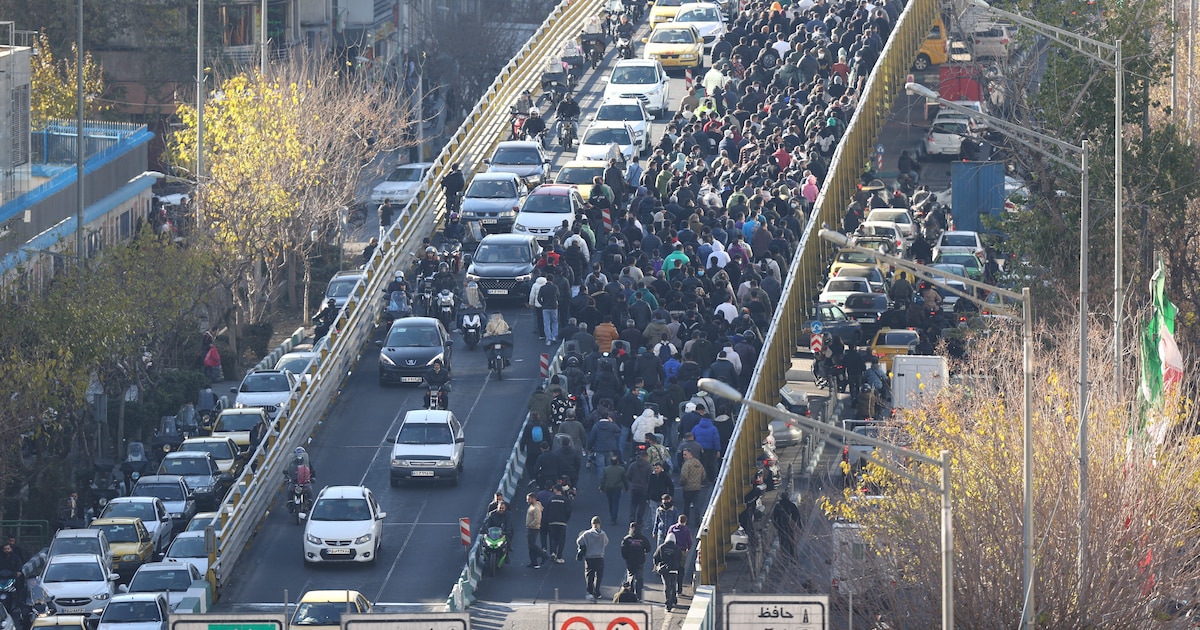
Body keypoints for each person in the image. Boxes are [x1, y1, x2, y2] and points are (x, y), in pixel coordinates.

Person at [576, 516, 609, 601]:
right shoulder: (603, 534)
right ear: (600, 524)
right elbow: (606, 542)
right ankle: (597, 591)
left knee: (589, 575)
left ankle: (589, 592)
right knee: (599, 576)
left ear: (592, 524)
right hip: (600, 557)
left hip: (590, 557)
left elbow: (579, 541)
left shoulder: (587, 534)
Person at [620, 521, 651, 600]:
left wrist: (627, 557)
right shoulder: (643, 538)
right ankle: (639, 596)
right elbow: (648, 548)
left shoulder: (627, 539)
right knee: (639, 578)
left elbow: (623, 550)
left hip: (630, 561)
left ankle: (630, 595)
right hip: (640, 561)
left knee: (630, 578)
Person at [653, 532, 683, 611]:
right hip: (674, 569)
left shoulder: (661, 547)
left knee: (667, 586)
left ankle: (668, 604)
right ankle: (674, 599)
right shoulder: (677, 548)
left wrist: (656, 565)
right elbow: (680, 558)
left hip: (664, 570)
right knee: (673, 585)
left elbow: (656, 557)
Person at [544, 485, 573, 563]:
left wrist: (548, 519)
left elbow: (546, 510)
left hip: (552, 522)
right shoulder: (565, 500)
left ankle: (553, 552)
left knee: (552, 538)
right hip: (562, 522)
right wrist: (565, 520)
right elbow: (569, 511)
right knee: (561, 540)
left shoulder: (551, 499)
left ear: (555, 490)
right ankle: (559, 556)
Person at [666, 515, 693, 596]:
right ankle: (679, 589)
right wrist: (688, 548)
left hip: (672, 551)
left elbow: (668, 538)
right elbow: (690, 542)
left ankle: (671, 587)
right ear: (685, 521)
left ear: (678, 520)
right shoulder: (686, 530)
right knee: (681, 569)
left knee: (671, 568)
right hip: (682, 552)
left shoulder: (672, 528)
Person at [599, 455, 628, 525]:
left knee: (610, 502)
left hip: (608, 488)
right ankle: (614, 517)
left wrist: (601, 488)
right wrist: (626, 487)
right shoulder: (621, 469)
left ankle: (612, 513)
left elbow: (603, 480)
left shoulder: (606, 469)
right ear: (617, 462)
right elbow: (624, 479)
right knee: (616, 502)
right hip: (617, 488)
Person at [679, 449, 706, 523]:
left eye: (685, 454)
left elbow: (684, 476)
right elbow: (703, 475)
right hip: (697, 487)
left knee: (686, 506)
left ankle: (685, 521)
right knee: (696, 505)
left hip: (688, 488)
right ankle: (697, 522)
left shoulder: (686, 464)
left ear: (690, 455)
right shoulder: (698, 463)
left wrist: (682, 483)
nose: (683, 456)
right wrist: (699, 482)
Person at [525, 492, 549, 569]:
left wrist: (530, 525)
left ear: (533, 499)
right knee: (530, 546)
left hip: (533, 528)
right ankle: (533, 562)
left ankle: (543, 556)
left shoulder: (536, 508)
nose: (527, 501)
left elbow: (537, 520)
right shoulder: (533, 506)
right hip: (531, 528)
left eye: (528, 499)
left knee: (532, 545)